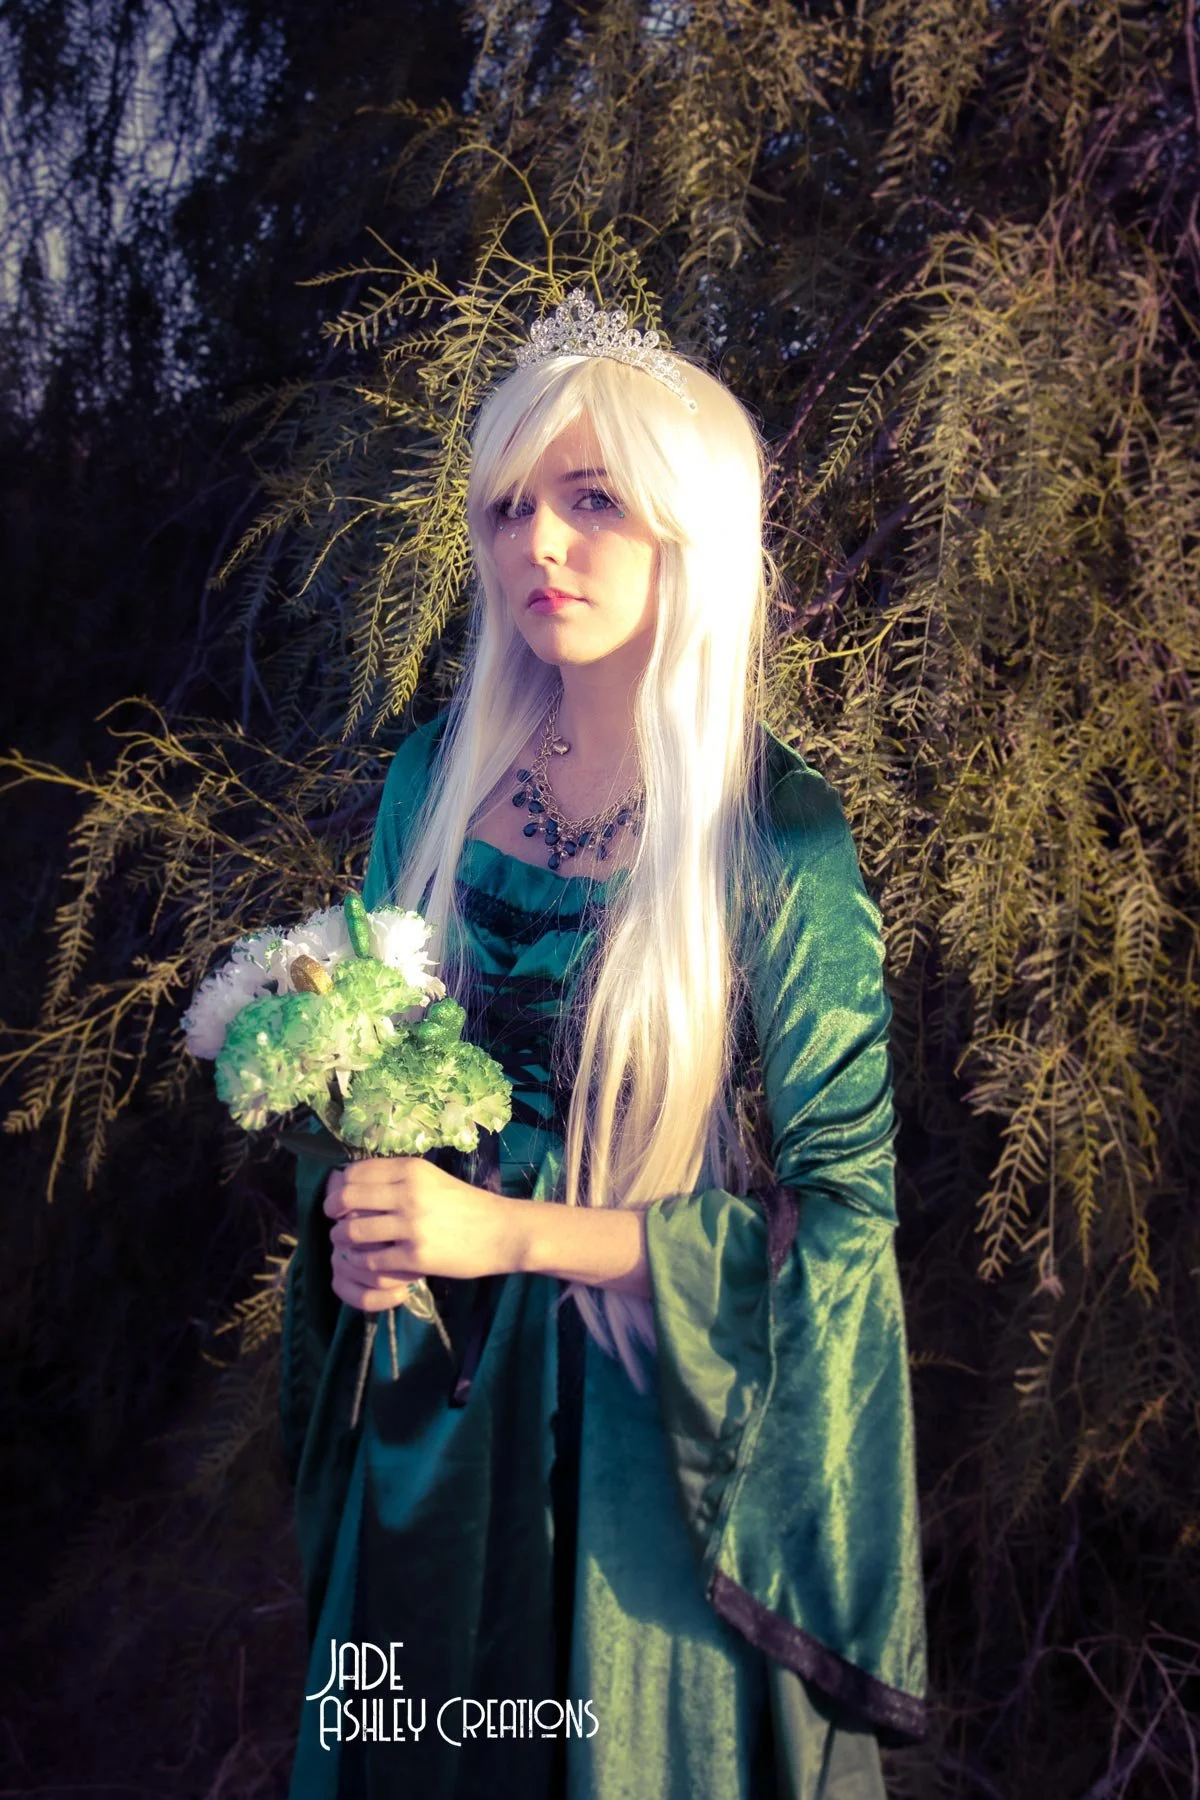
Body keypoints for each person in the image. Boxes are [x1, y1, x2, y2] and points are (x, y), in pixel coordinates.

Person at [280, 289, 927, 1799]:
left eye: (591, 502)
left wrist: (510, 1231)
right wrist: (357, 1220)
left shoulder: (778, 842)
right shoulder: (435, 780)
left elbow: (844, 1228)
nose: (538, 548)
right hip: (439, 1415)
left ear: (685, 534)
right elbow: (366, 1075)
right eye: (508, 508)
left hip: (651, 1454)